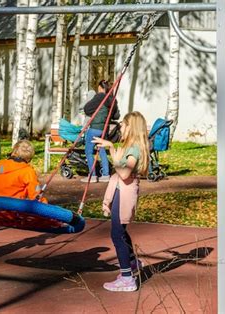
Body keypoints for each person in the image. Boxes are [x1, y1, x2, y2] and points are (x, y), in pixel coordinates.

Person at [92, 111, 149, 292]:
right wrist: (110, 146)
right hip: (121, 191)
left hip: (125, 192)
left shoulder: (134, 150)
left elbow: (124, 173)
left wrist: (113, 154)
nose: (120, 128)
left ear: (130, 127)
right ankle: (132, 263)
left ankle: (127, 278)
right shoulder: (131, 147)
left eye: (123, 125)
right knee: (120, 231)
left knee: (117, 234)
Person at [82, 80, 119, 183]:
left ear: (100, 87)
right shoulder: (112, 99)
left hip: (94, 128)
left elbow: (86, 109)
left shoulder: (99, 97)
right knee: (101, 150)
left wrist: (96, 112)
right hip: (104, 129)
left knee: (88, 151)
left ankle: (93, 176)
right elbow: (116, 116)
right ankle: (106, 175)